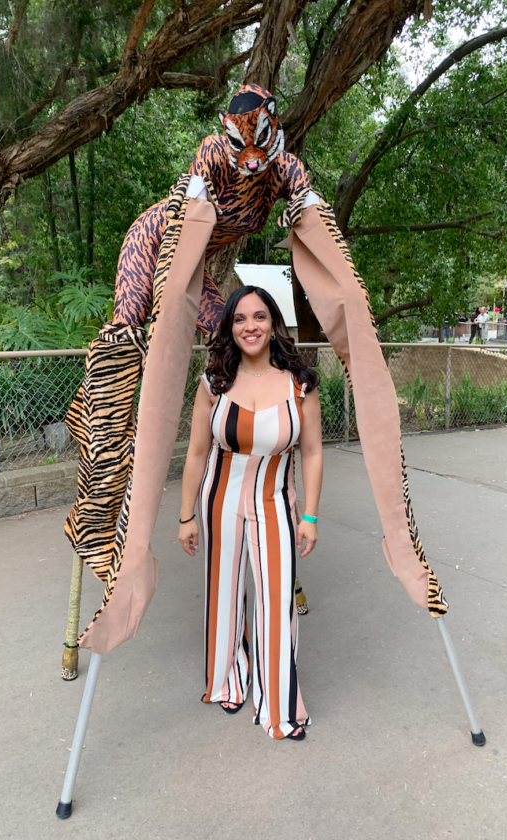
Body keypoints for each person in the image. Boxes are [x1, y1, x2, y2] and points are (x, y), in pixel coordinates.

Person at [178, 286, 323, 741]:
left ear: (274, 323)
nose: (250, 327)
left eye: (259, 317)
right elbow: (197, 453)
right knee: (222, 594)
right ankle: (228, 680)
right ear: (229, 328)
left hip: (275, 502)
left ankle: (279, 705)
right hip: (219, 500)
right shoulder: (213, 382)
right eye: (239, 319)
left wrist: (311, 517)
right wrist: (186, 516)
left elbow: (315, 453)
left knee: (276, 600)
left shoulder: (301, 383)